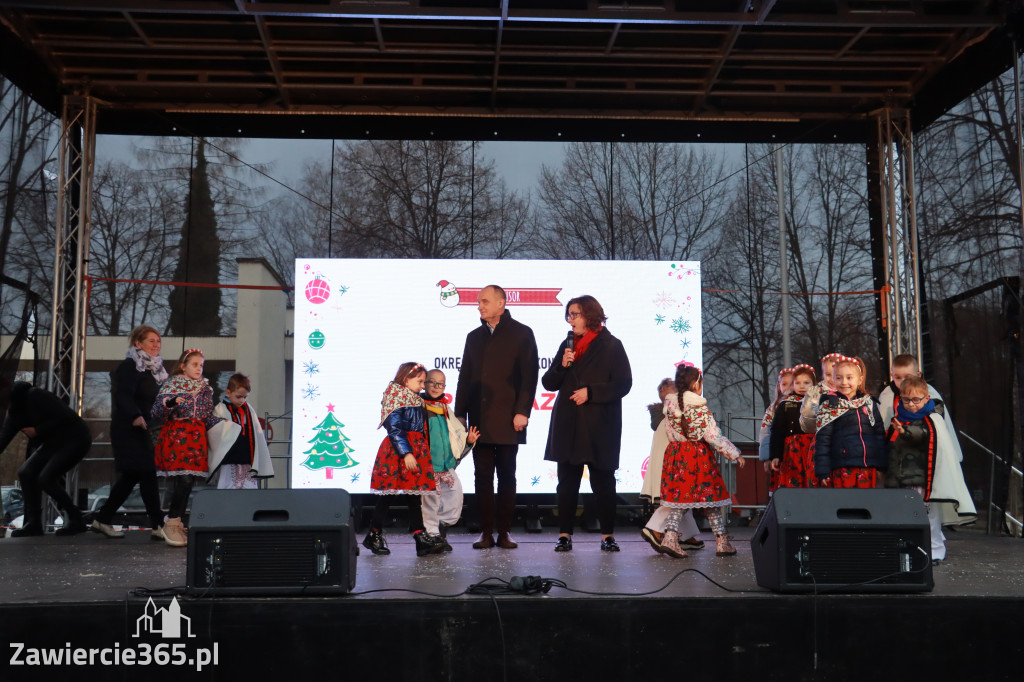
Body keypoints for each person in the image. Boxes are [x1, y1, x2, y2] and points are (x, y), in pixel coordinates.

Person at [542, 294, 632, 552]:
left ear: (590, 315)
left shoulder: (612, 345)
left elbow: (623, 384)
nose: (570, 320)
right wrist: (562, 365)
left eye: (575, 314)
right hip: (569, 423)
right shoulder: (567, 345)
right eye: (568, 315)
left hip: (599, 426)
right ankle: (564, 534)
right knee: (567, 482)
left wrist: (590, 392)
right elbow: (549, 383)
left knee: (603, 482)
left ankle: (607, 535)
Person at [454, 285, 539, 550]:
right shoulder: (473, 337)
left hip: (509, 418)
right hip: (479, 418)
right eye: (479, 301)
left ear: (502, 303)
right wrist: (459, 416)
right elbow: (465, 377)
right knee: (481, 478)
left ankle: (504, 532)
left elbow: (529, 377)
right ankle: (486, 532)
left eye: (485, 301)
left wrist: (522, 411)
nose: (479, 306)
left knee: (507, 477)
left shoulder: (522, 333)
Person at [655, 365, 745, 558]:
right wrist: (734, 453)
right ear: (697, 385)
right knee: (708, 500)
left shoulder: (670, 407)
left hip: (677, 456)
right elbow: (713, 436)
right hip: (697, 458)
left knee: (682, 500)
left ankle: (717, 541)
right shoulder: (699, 408)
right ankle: (717, 542)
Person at [884, 376, 976, 562]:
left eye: (916, 399)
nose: (911, 404)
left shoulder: (933, 419)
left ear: (926, 399)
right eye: (906, 400)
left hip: (926, 481)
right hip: (904, 479)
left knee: (930, 518)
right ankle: (909, 551)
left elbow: (923, 436)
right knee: (906, 517)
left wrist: (904, 432)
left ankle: (935, 551)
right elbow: (891, 446)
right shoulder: (897, 419)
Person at [90, 325, 168, 540]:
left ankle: (102, 519)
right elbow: (123, 395)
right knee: (147, 472)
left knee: (132, 476)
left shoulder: (156, 371)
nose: (156, 345)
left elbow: (155, 401)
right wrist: (135, 415)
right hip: (128, 429)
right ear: (138, 343)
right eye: (151, 341)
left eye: (158, 341)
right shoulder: (130, 366)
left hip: (146, 429)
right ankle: (158, 524)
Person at [364, 362, 444, 557]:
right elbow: (395, 427)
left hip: (414, 448)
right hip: (398, 452)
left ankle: (420, 537)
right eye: (419, 381)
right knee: (388, 495)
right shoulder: (395, 397)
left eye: (424, 382)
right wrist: (406, 452)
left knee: (414, 495)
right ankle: (374, 535)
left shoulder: (415, 399)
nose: (423, 386)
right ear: (406, 379)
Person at [151, 348, 225, 547]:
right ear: (183, 365)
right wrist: (171, 402)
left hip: (196, 439)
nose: (199, 369)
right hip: (178, 437)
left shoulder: (205, 388)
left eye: (201, 365)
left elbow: (206, 416)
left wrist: (224, 425)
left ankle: (176, 522)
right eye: (194, 364)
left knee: (189, 481)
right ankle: (171, 521)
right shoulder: (173, 384)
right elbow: (156, 412)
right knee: (183, 480)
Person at [0, 381, 91, 536]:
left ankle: (77, 519)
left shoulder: (34, 395)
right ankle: (34, 523)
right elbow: (3, 440)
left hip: (75, 437)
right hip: (53, 443)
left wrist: (38, 430)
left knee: (46, 478)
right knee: (25, 472)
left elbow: (64, 417)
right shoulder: (15, 414)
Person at [640, 376, 703, 554]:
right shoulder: (671, 416)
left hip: (672, 463)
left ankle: (685, 536)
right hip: (672, 465)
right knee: (677, 499)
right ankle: (654, 528)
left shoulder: (667, 417)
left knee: (684, 499)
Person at [422, 369, 479, 551]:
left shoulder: (445, 409)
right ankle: (432, 539)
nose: (436, 387)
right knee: (430, 504)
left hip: (446, 466)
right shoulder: (419, 408)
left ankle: (440, 531)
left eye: (441, 384)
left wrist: (468, 442)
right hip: (429, 467)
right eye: (432, 382)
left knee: (455, 497)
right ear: (424, 383)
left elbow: (456, 436)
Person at [813, 356, 887, 488]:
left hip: (868, 467)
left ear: (859, 380)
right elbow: (823, 440)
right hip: (842, 468)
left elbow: (879, 436)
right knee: (846, 505)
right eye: (839, 378)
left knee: (867, 505)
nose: (844, 382)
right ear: (834, 381)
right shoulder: (830, 406)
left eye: (849, 377)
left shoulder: (869, 404)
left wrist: (881, 465)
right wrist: (823, 471)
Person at [878, 354, 963, 464]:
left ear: (918, 375)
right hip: (897, 457)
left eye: (907, 377)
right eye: (898, 377)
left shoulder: (929, 393)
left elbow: (942, 428)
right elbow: (881, 428)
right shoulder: (887, 395)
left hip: (926, 455)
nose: (903, 382)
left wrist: (952, 456)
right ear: (892, 375)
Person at [210, 372, 274, 490]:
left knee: (249, 492)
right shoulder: (220, 409)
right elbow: (215, 435)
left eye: (245, 397)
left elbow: (257, 434)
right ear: (228, 393)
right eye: (239, 396)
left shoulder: (249, 409)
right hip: (228, 461)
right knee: (227, 490)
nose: (242, 400)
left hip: (246, 460)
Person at [768, 364, 819, 489]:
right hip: (792, 451)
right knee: (793, 480)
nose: (802, 386)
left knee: (812, 480)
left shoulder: (818, 402)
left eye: (806, 382)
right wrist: (775, 455)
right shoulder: (785, 404)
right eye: (797, 382)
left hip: (813, 448)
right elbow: (777, 431)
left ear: (814, 384)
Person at [757, 368, 794, 482]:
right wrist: (767, 457)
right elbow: (765, 432)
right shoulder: (773, 408)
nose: (788, 387)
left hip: (797, 452)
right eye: (784, 384)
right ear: (779, 386)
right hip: (779, 454)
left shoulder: (805, 404)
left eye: (791, 384)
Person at [800, 352, 843, 433]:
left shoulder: (849, 392)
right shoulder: (815, 393)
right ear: (823, 374)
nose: (832, 379)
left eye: (836, 375)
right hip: (820, 438)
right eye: (828, 374)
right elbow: (806, 425)